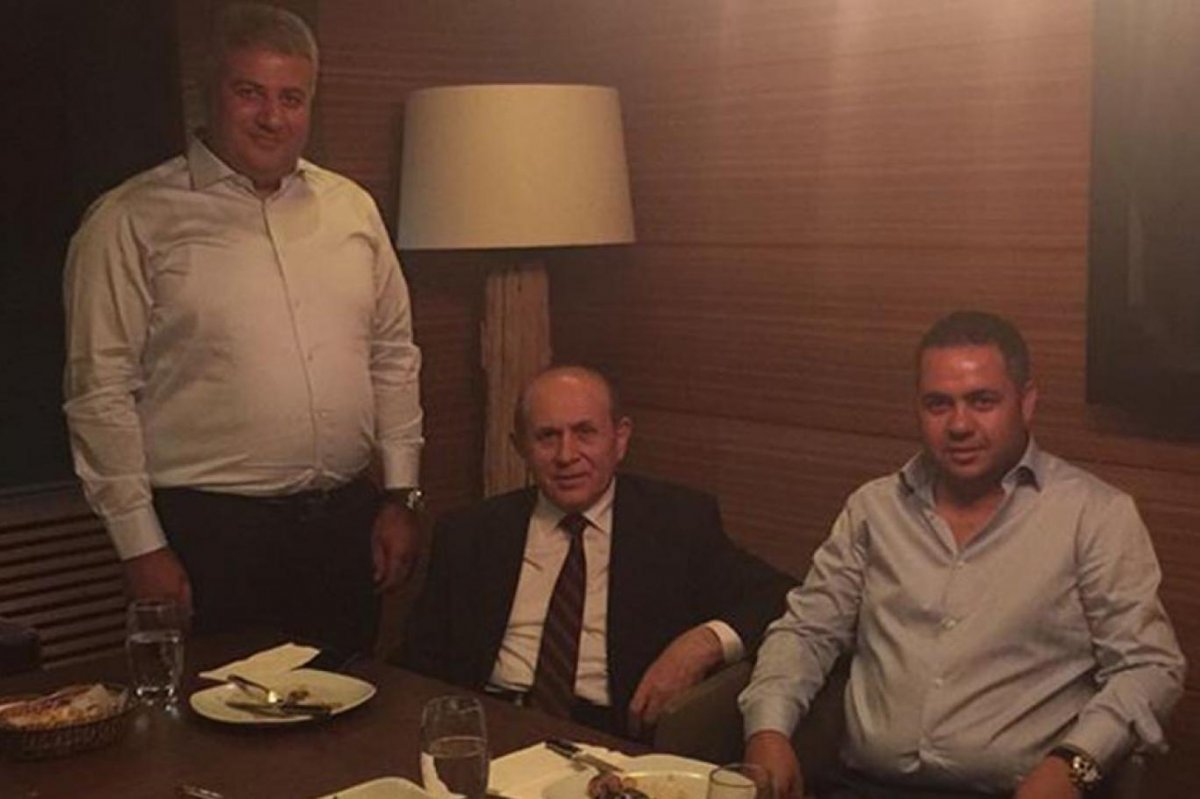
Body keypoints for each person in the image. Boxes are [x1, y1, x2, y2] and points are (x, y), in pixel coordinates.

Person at [62, 3, 423, 655]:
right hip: (212, 534)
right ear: (211, 94)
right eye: (250, 92)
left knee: (350, 706)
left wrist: (400, 494)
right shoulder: (130, 220)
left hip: (345, 527)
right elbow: (100, 394)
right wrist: (140, 546)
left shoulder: (353, 210)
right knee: (219, 717)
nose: (272, 116)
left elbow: (393, 354)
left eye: (291, 97)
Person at [740, 311, 1186, 799]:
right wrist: (767, 730)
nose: (958, 424)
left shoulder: (1095, 516)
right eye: (938, 404)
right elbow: (807, 631)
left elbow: (1149, 667)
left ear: (1026, 403)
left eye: (982, 401)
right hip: (862, 787)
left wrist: (1073, 766)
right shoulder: (875, 508)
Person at [402, 365, 793, 738]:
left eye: (584, 432)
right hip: (493, 725)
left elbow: (778, 595)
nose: (566, 455)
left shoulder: (678, 523)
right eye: (547, 436)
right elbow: (419, 658)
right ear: (520, 447)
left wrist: (701, 645)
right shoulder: (470, 532)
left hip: (611, 737)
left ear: (619, 439)